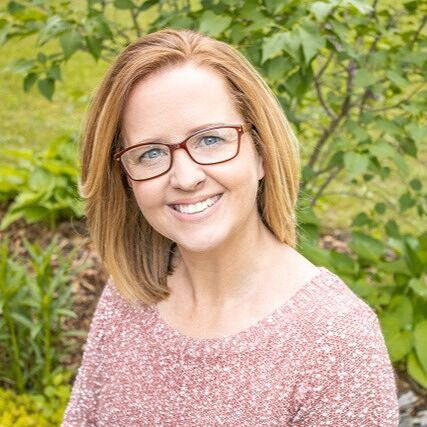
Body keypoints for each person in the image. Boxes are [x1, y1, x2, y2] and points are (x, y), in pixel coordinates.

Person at [61, 28, 399, 426]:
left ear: (261, 152)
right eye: (150, 153)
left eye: (210, 140)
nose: (185, 178)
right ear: (124, 178)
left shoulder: (336, 342)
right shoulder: (129, 294)